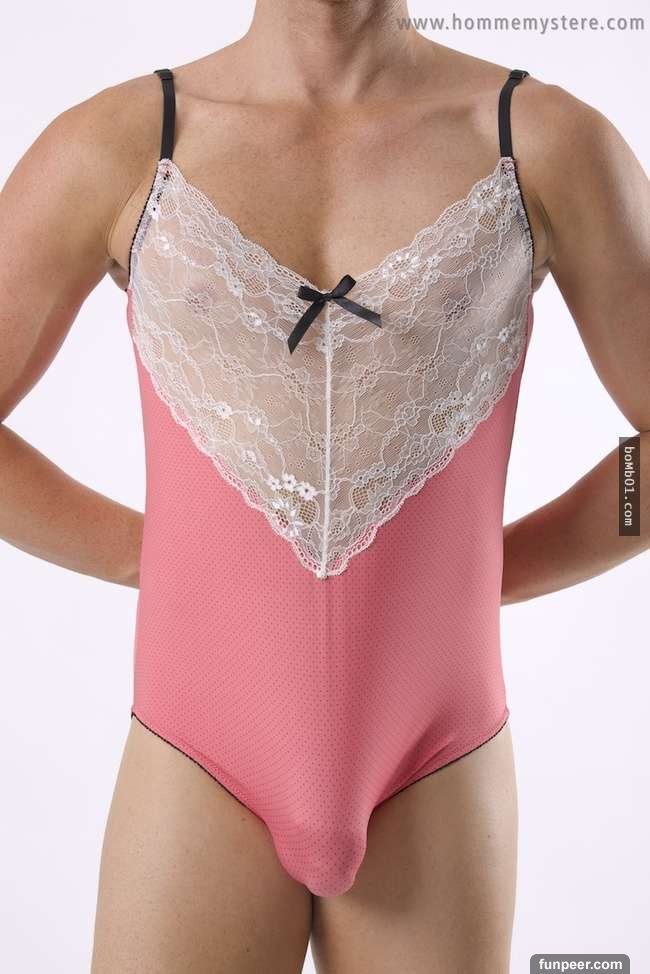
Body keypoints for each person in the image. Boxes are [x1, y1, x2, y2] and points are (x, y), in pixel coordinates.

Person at [1, 3, 648, 973]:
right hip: (198, 751)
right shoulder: (121, 145)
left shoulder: (544, 144)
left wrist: (504, 565)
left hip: (437, 755)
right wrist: (146, 553)